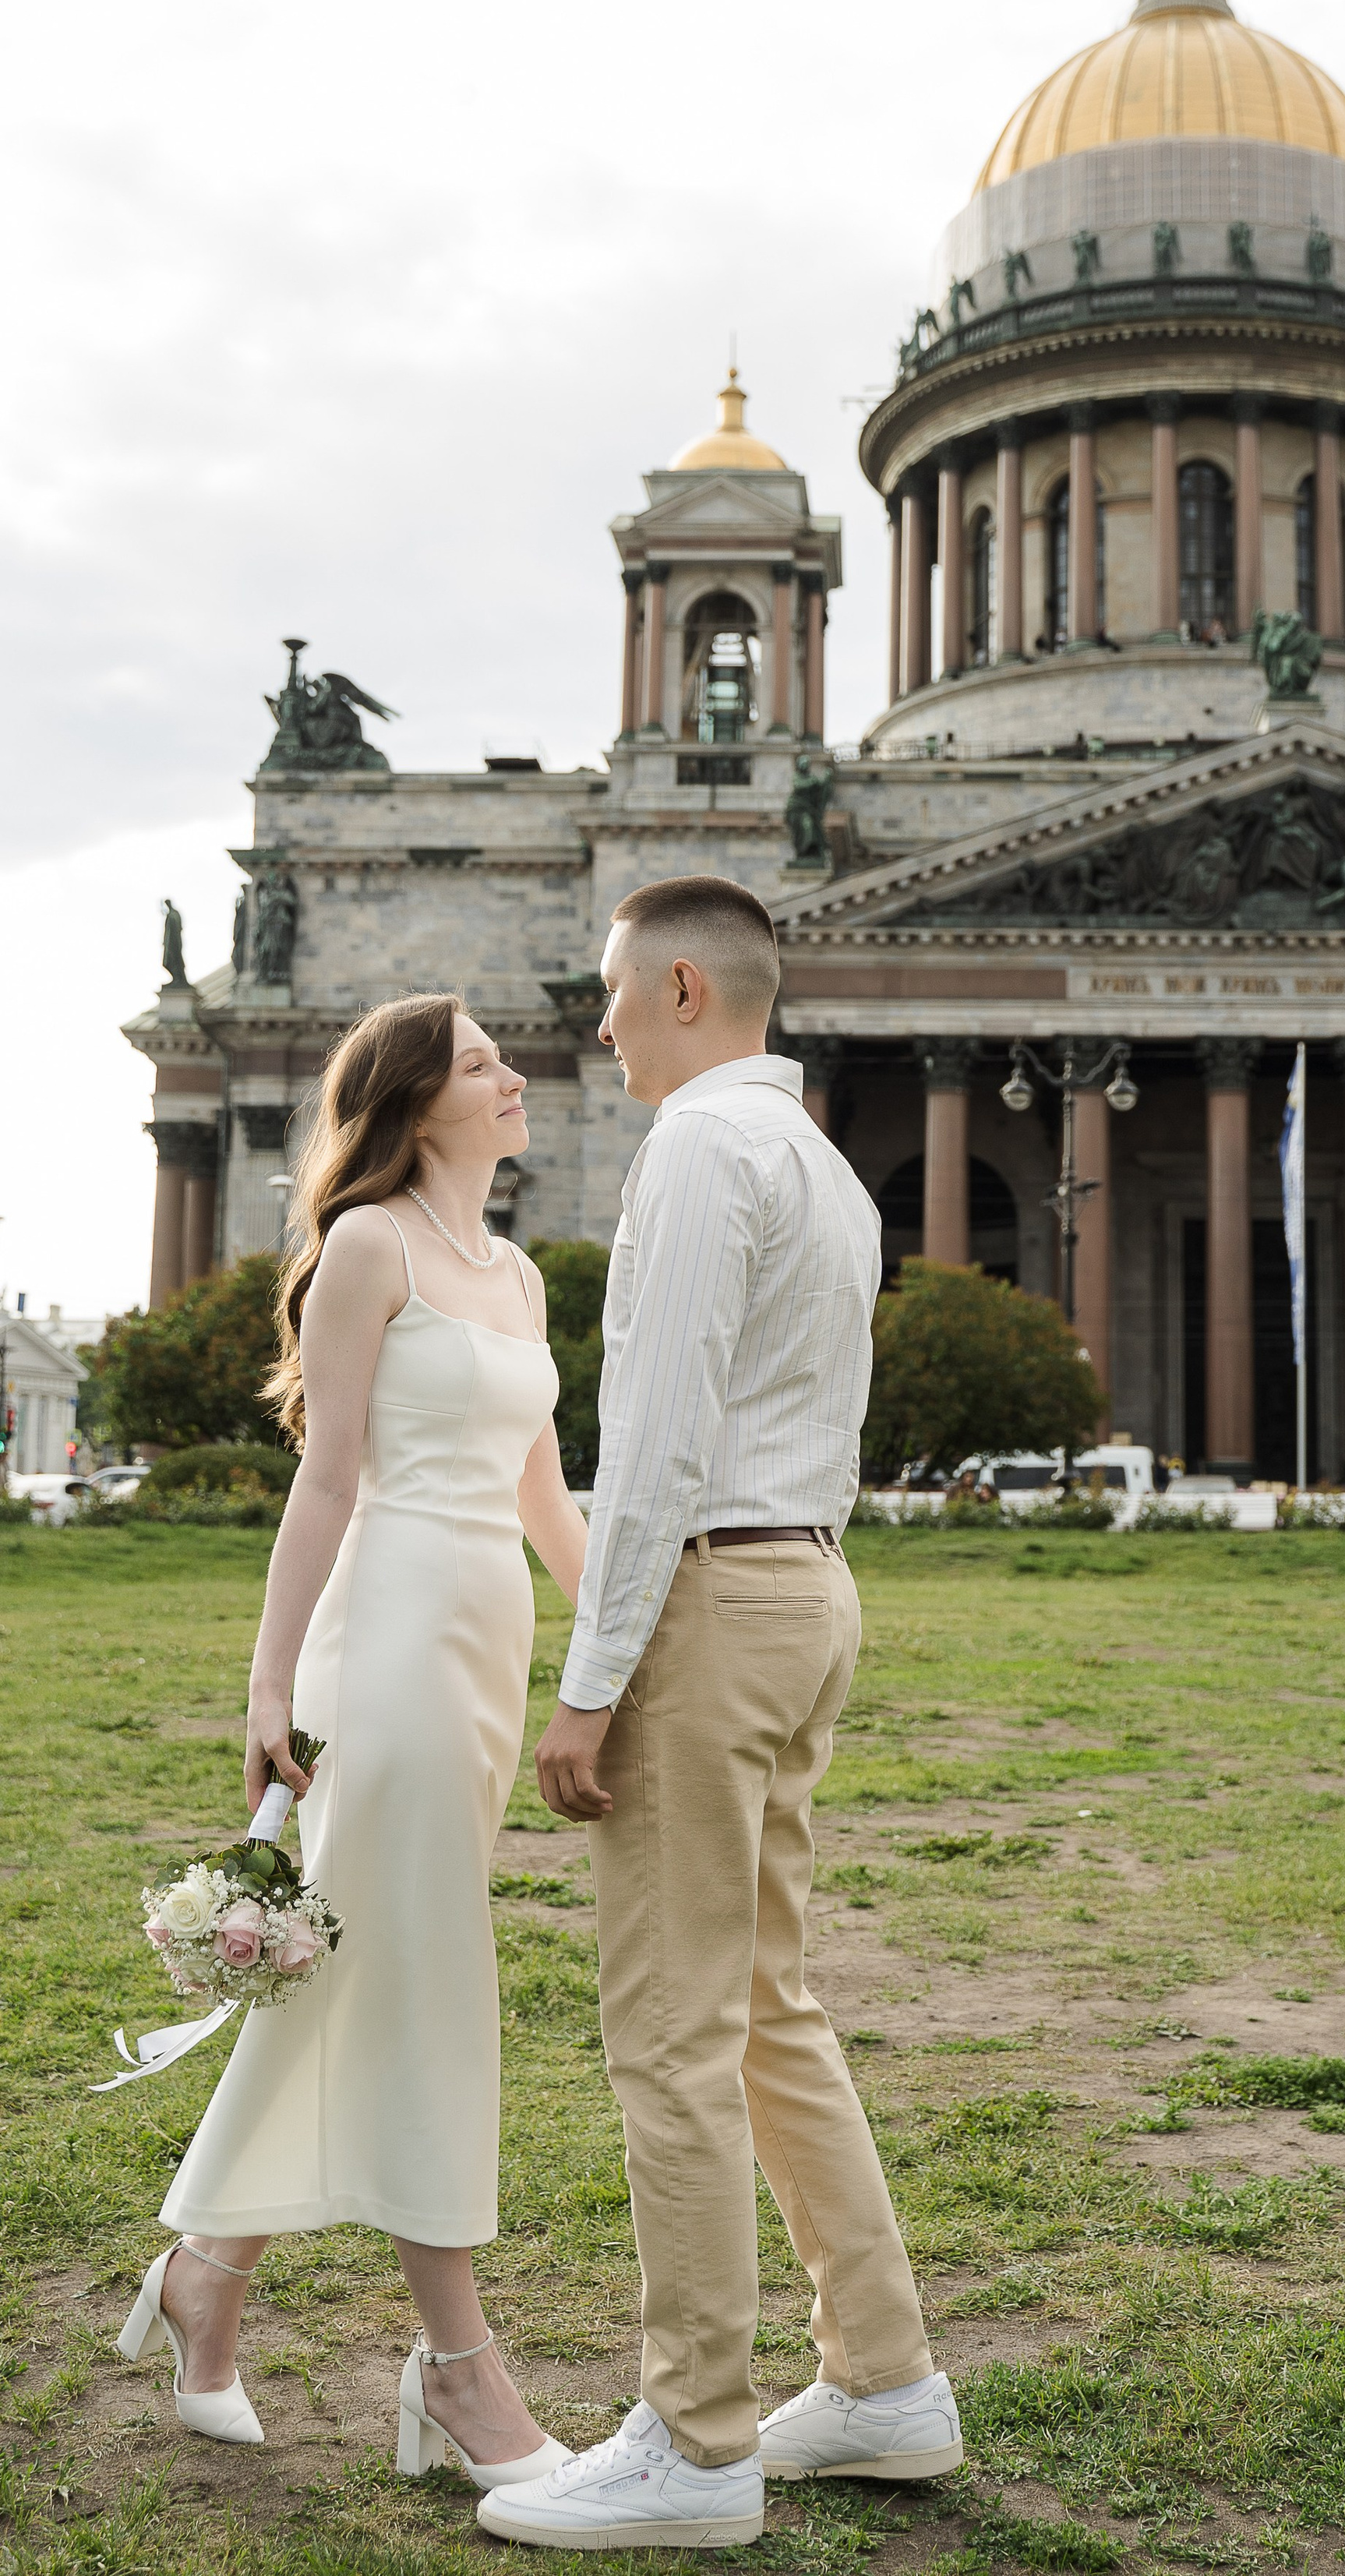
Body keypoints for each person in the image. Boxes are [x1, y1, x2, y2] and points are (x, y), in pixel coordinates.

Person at [476, 876, 959, 2554]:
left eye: (611, 992)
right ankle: (881, 2378)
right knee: (768, 2009)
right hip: (806, 1584)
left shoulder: (692, 1150)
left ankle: (694, 2442)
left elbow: (660, 1433)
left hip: (707, 1591)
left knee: (670, 2039)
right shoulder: (822, 1168)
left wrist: (587, 1686)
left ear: (684, 987)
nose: (595, 1021)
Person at [117, 996, 585, 2490]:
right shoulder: (370, 1242)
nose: (514, 1077)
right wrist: (269, 1689)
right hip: (377, 1642)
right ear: (411, 1101)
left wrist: (637, 1640)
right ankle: (459, 2369)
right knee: (428, 1967)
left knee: (365, 1966)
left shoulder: (513, 1272)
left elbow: (549, 1504)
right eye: (481, 1064)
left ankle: (208, 2272)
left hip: (485, 1646)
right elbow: (324, 1486)